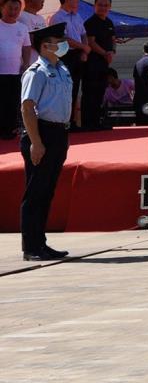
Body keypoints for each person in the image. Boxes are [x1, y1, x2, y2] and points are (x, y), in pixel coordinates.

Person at [19, 24, 75, 261]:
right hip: (41, 132)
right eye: (57, 40)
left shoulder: (62, 68)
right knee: (35, 193)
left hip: (59, 133)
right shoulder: (36, 72)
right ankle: (31, 247)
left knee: (47, 191)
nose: (62, 44)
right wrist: (36, 142)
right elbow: (28, 107)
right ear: (45, 46)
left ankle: (41, 243)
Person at [81, 0, 116, 131]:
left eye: (106, 5)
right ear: (95, 6)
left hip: (104, 64)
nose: (103, 8)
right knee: (90, 93)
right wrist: (104, 53)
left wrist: (112, 52)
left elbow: (113, 40)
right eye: (100, 5)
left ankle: (97, 122)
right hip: (91, 63)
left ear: (110, 7)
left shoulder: (109, 22)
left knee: (100, 92)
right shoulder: (91, 22)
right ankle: (87, 123)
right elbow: (90, 41)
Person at [0, 0, 31, 139]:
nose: (13, 11)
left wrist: (26, 64)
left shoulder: (22, 28)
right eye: (10, 8)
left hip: (15, 71)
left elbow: (26, 47)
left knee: (12, 101)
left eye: (16, 9)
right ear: (2, 9)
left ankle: (10, 129)